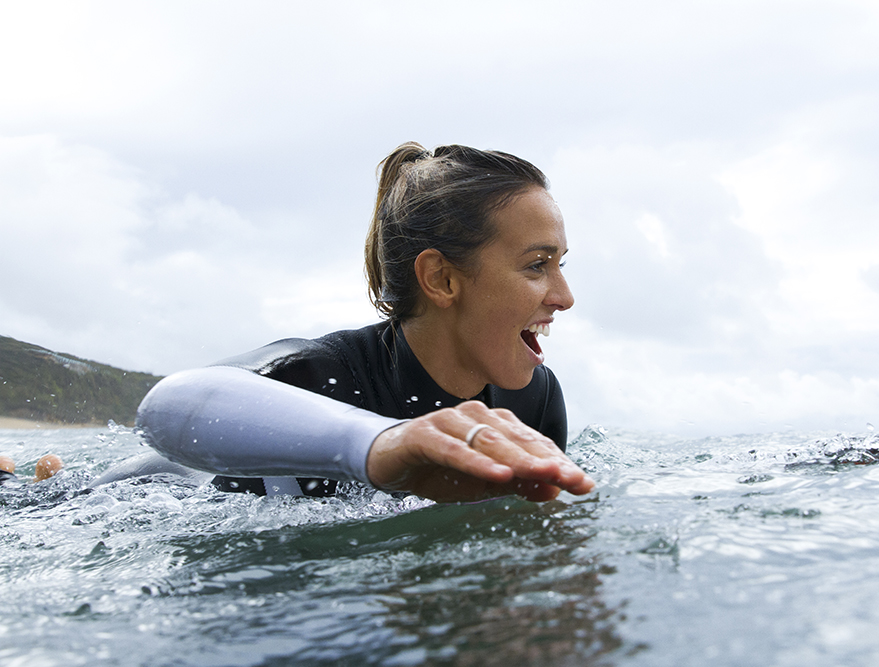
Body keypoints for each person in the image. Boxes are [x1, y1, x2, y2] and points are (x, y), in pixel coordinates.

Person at [118, 142, 593, 504]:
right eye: (536, 265)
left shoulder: (533, 401)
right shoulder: (315, 378)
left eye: (560, 265)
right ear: (442, 278)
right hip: (134, 493)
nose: (564, 297)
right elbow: (170, 406)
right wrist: (383, 444)